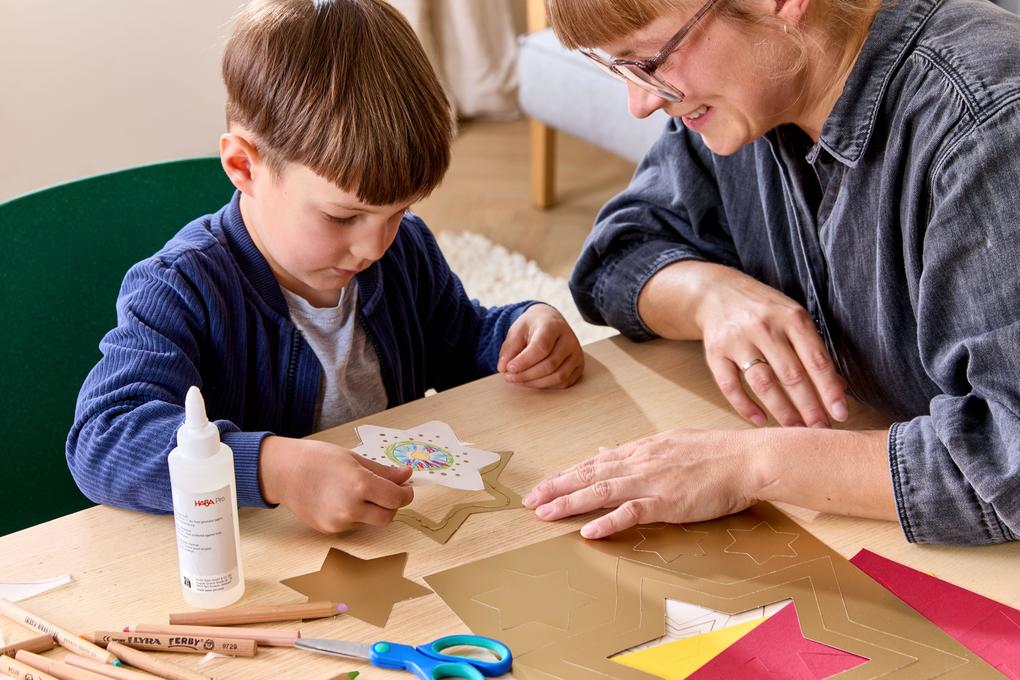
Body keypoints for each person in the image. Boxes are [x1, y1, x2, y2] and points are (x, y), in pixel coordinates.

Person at [67, 0, 584, 534]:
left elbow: (458, 339)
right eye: (343, 216)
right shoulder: (181, 287)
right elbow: (103, 438)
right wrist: (272, 469)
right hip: (262, 563)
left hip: (396, 538)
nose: (373, 247)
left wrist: (520, 332)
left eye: (399, 211)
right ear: (244, 166)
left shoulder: (403, 249)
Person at [524, 0, 1020, 545]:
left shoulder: (987, 127)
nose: (641, 103)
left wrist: (751, 465)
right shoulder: (752, 96)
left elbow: (1010, 459)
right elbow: (615, 258)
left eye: (649, 60)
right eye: (620, 67)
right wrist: (712, 296)